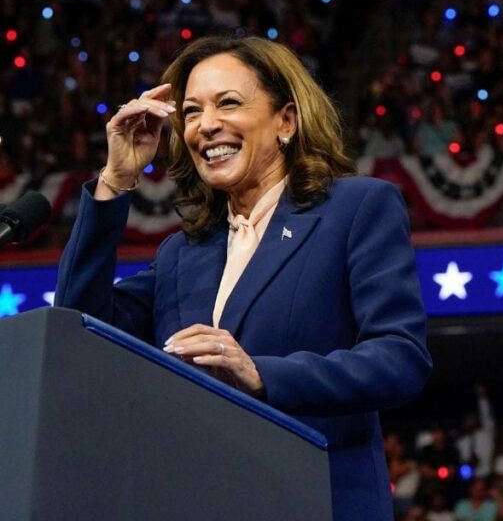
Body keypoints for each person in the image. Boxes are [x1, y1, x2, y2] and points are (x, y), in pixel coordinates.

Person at [54, 36, 432, 520]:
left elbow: (400, 357)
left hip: (318, 501)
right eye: (190, 112)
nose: (206, 125)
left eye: (227, 103)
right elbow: (78, 328)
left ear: (286, 121)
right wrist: (116, 180)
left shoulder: (356, 209)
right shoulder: (181, 254)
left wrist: (262, 375)